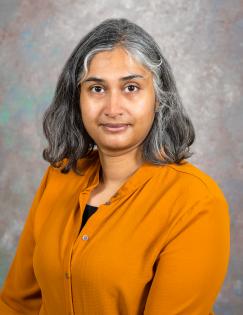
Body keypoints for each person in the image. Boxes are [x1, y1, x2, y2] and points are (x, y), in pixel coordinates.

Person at [0, 18, 230, 315]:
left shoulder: (196, 201)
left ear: (159, 99)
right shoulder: (60, 176)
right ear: (77, 98)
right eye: (96, 89)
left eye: (131, 87)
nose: (112, 108)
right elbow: (17, 305)